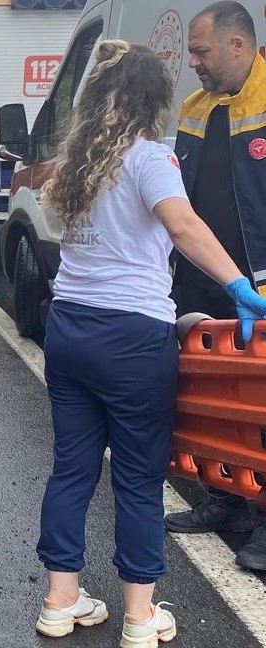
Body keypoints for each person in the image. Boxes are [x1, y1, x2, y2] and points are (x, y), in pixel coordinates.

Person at [33, 40, 266, 647]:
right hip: (132, 337)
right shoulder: (150, 158)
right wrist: (239, 286)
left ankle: (60, 601)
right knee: (137, 479)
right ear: (153, 100)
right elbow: (183, 225)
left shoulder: (77, 164)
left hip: (69, 326)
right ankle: (140, 617)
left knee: (71, 470)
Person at [164, 0, 266, 574]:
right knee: (216, 400)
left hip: (259, 284)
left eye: (200, 52)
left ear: (238, 44)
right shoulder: (195, 108)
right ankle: (228, 499)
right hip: (205, 284)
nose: (194, 63)